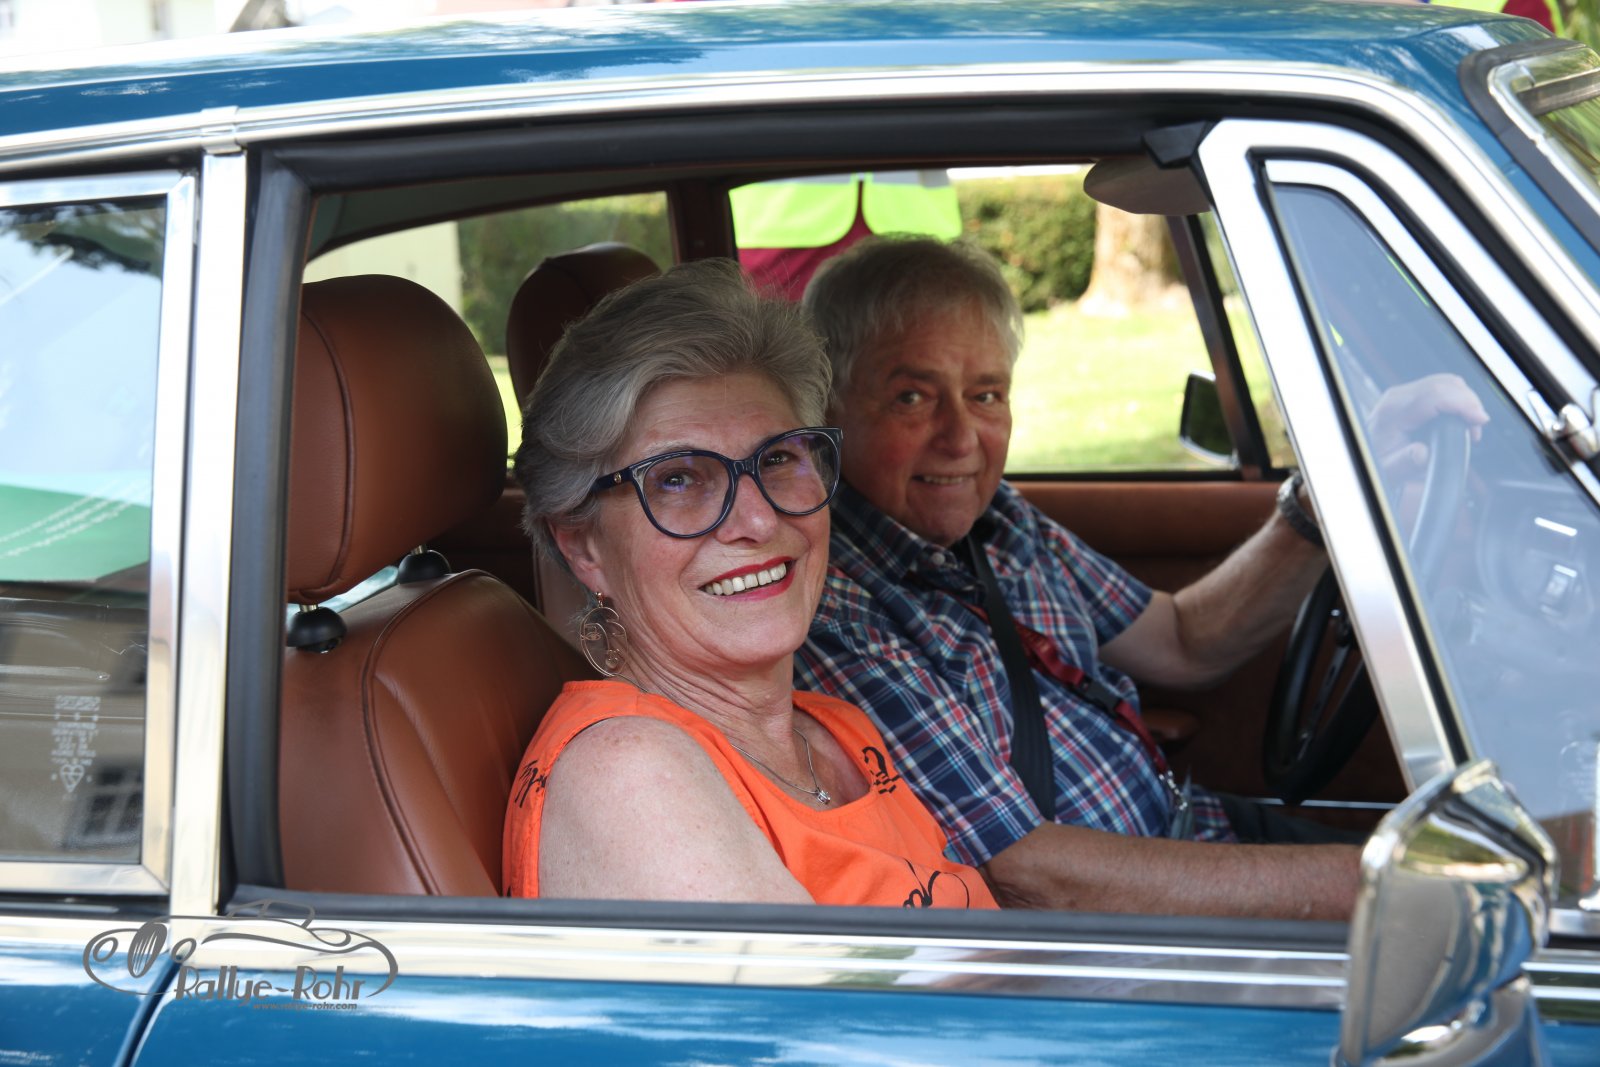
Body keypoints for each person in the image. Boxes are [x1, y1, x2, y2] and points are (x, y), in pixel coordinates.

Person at [794, 235, 1489, 920]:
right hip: (1125, 930)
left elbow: (1181, 639)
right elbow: (1028, 876)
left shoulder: (1000, 521)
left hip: (1191, 835)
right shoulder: (830, 608)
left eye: (986, 394)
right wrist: (1393, 884)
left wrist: (1317, 504)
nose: (961, 439)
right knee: (1467, 902)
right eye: (912, 397)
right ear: (828, 412)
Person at [503, 257, 997, 910]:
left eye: (778, 457)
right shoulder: (628, 771)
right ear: (583, 546)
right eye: (677, 479)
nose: (759, 519)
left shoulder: (837, 730)